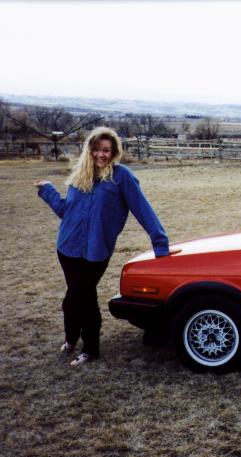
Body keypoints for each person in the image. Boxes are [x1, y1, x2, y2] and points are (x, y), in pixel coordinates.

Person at [35, 126, 169, 366]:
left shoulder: (122, 176)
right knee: (74, 298)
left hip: (97, 251)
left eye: (106, 150)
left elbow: (143, 210)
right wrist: (48, 190)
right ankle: (71, 339)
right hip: (67, 248)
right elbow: (66, 211)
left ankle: (90, 349)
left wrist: (160, 243)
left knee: (83, 298)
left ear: (114, 151)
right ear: (89, 150)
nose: (100, 154)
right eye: (96, 149)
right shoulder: (80, 176)